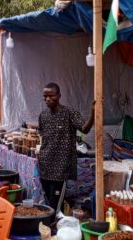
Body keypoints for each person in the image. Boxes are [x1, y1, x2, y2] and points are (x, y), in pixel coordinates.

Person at [37, 83, 94, 213]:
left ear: (59, 96)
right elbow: (43, 137)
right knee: (49, 201)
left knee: (55, 204)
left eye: (51, 96)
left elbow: (84, 129)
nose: (47, 99)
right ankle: (51, 228)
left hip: (61, 167)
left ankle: (52, 228)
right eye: (45, 96)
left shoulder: (69, 113)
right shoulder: (43, 115)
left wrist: (93, 113)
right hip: (45, 165)